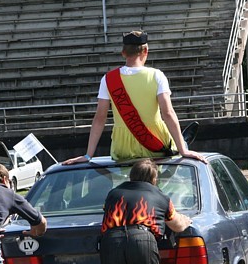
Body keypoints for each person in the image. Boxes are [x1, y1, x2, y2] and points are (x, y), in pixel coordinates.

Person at [62, 31, 205, 164]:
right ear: (146, 51)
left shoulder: (108, 79)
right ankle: (184, 143)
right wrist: (183, 151)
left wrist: (88, 155)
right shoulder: (156, 75)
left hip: (122, 148)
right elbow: (167, 113)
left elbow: (100, 118)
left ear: (123, 53)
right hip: (154, 143)